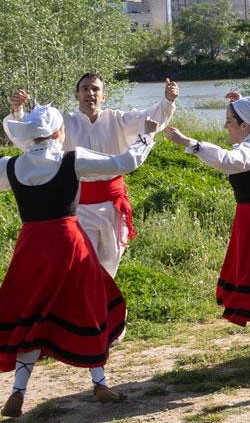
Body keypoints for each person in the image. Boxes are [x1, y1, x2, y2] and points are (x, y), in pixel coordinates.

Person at [0, 99, 154, 417]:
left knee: (32, 314)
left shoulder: (14, 165)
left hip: (32, 246)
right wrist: (145, 135)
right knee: (88, 306)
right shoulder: (71, 160)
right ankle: (100, 383)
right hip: (68, 242)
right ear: (59, 131)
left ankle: (19, 391)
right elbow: (123, 162)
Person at [163, 93, 250, 378]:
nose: (225, 126)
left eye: (230, 121)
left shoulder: (249, 151)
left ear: (244, 126)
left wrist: (189, 143)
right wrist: (245, 102)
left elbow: (228, 161)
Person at [59, 73, 178, 278]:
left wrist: (167, 101)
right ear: (76, 95)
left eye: (96, 89)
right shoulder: (64, 122)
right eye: (85, 88)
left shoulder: (116, 119)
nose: (90, 93)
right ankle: (85, 306)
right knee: (83, 264)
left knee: (109, 263)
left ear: (104, 96)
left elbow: (149, 117)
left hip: (112, 205)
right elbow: (35, 131)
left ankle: (106, 306)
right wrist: (18, 112)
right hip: (79, 206)